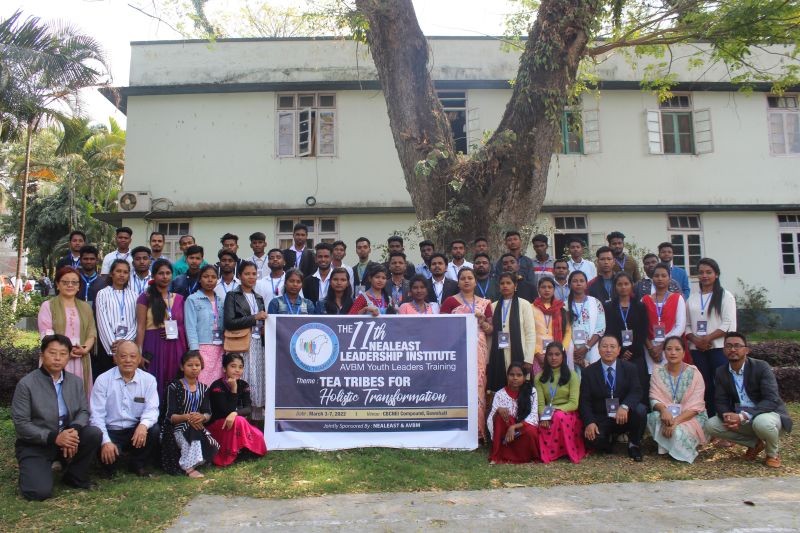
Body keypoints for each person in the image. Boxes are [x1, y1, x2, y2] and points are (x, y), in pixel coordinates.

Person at [12, 335, 103, 500]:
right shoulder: (27, 384)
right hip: (37, 443)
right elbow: (21, 424)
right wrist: (55, 438)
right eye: (52, 353)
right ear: (42, 354)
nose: (57, 358)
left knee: (93, 433)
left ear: (69, 356)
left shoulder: (75, 382)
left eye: (63, 353)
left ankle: (74, 476)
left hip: (67, 438)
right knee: (39, 492)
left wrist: (73, 430)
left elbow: (83, 411)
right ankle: (33, 470)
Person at [705, 332, 794, 468]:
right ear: (723, 350)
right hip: (742, 417)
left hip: (768, 414)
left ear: (746, 350)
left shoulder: (761, 367)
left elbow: (771, 399)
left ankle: (772, 454)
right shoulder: (721, 372)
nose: (733, 349)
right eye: (728, 346)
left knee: (762, 422)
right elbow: (720, 401)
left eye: (737, 346)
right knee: (711, 425)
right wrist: (727, 416)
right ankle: (755, 444)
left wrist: (742, 416)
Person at [90, 341, 160, 477]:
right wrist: (106, 441)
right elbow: (96, 415)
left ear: (139, 359)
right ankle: (109, 463)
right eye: (123, 356)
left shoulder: (149, 380)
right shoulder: (103, 380)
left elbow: (152, 409)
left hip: (134, 430)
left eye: (133, 356)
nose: (128, 360)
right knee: (109, 464)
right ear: (115, 359)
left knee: (153, 429)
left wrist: (143, 426)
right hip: (111, 431)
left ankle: (138, 464)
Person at [441, 267, 494, 440]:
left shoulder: (485, 303)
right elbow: (442, 327)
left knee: (478, 387)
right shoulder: (450, 302)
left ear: (475, 281)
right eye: (463, 278)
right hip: (457, 350)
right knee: (457, 387)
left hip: (478, 352)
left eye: (470, 278)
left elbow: (490, 329)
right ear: (458, 282)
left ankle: (478, 432)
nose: (466, 281)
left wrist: (482, 322)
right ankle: (456, 429)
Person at [579, 335, 646, 461]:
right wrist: (590, 422)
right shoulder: (589, 372)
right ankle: (608, 441)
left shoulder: (630, 368)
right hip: (602, 416)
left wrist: (625, 406)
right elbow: (584, 401)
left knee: (640, 410)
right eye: (604, 346)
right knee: (593, 440)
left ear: (619, 350)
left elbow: (636, 391)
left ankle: (634, 444)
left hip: (624, 415)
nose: (608, 350)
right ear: (598, 349)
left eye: (612, 347)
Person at [685, 258, 737, 417]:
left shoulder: (725, 296)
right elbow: (687, 325)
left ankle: (727, 417)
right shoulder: (692, 298)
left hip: (718, 348)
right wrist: (696, 340)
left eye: (708, 272)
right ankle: (710, 418)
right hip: (697, 350)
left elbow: (728, 323)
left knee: (722, 384)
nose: (704, 275)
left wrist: (707, 339)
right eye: (701, 272)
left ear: (716, 274)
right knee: (704, 385)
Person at [646, 336, 708, 463]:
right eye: (669, 349)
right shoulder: (658, 372)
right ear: (664, 352)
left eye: (677, 349)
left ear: (684, 352)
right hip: (666, 416)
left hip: (690, 417)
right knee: (652, 418)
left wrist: (675, 422)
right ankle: (669, 447)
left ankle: (678, 451)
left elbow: (696, 406)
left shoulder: (694, 373)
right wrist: (663, 410)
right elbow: (654, 397)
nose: (673, 353)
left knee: (677, 432)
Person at [38, 266, 97, 398]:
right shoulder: (48, 306)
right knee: (55, 397)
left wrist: (85, 349)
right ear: (58, 285)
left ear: (79, 287)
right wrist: (65, 352)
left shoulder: (86, 307)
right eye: (65, 282)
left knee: (79, 397)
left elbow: (91, 332)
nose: (70, 285)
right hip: (56, 358)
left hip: (80, 359)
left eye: (74, 282)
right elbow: (47, 334)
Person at [160, 351, 219, 477]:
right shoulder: (174, 387)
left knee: (213, 446)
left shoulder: (204, 388)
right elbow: (170, 416)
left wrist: (202, 417)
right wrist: (188, 417)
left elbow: (208, 413)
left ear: (201, 367)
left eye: (197, 365)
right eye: (190, 365)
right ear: (182, 367)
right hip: (176, 427)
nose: (194, 368)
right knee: (192, 430)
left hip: (197, 424)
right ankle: (188, 467)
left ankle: (195, 461)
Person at [136, 259, 188, 401]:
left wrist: (176, 329)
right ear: (153, 276)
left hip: (175, 345)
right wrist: (139, 353)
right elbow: (140, 326)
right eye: (161, 273)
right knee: (153, 381)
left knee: (173, 380)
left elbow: (184, 324)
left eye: (168, 273)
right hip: (153, 344)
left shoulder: (179, 299)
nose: (165, 277)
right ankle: (154, 418)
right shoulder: (145, 298)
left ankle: (171, 417)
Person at [206, 353, 268, 466]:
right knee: (239, 420)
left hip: (237, 424)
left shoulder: (244, 385)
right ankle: (237, 452)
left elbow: (248, 408)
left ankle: (243, 450)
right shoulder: (217, 386)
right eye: (233, 366)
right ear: (224, 368)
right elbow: (225, 411)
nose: (237, 370)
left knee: (258, 434)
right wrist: (234, 389)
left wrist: (235, 413)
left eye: (240, 367)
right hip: (218, 426)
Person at [225, 261, 268, 420]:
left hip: (258, 344)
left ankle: (256, 423)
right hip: (242, 343)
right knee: (243, 378)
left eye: (254, 274)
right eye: (247, 274)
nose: (251, 277)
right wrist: (254, 318)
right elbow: (229, 322)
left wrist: (264, 326)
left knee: (258, 382)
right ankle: (240, 418)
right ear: (239, 276)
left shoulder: (259, 297)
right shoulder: (232, 296)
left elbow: (262, 321)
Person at [534, 342, 586, 464]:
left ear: (563, 356)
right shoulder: (539, 377)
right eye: (550, 354)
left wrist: (553, 411)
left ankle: (561, 451)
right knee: (545, 421)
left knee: (558, 416)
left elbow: (574, 403)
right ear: (546, 357)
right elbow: (540, 404)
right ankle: (551, 451)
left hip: (568, 413)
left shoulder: (572, 375)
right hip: (547, 413)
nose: (554, 358)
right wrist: (545, 416)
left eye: (557, 354)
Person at [604, 272, 650, 403]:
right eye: (619, 284)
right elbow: (609, 330)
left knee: (639, 385)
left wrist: (631, 350)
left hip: (636, 353)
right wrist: (621, 351)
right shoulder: (608, 306)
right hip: (616, 354)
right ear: (615, 287)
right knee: (619, 385)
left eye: (626, 284)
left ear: (632, 285)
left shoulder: (640, 306)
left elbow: (643, 331)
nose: (623, 287)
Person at [487, 272, 536, 392]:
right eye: (502, 283)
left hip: (520, 354)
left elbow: (530, 333)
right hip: (498, 354)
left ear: (515, 286)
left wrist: (528, 359)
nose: (505, 286)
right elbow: (490, 336)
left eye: (508, 283)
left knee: (519, 386)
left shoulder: (524, 304)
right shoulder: (493, 306)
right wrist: (488, 359)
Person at [94, 259, 138, 379]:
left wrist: (125, 342)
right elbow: (102, 323)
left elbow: (136, 323)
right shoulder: (102, 294)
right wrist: (114, 349)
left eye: (125, 272)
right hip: (109, 349)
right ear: (111, 273)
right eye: (118, 271)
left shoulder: (134, 295)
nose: (122, 275)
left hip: (129, 347)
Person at [487, 362, 539, 464]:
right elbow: (490, 421)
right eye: (512, 375)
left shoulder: (531, 391)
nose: (515, 378)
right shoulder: (500, 394)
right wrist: (498, 411)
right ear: (507, 376)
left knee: (531, 431)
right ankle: (497, 455)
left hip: (522, 429)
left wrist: (514, 427)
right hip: (507, 435)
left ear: (524, 377)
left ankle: (525, 456)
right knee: (499, 417)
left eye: (519, 375)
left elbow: (533, 416)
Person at [642, 263, 686, 375]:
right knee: (653, 379)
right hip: (650, 348)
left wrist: (662, 346)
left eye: (663, 275)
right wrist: (651, 349)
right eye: (656, 276)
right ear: (652, 278)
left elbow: (680, 326)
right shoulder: (645, 300)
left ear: (669, 278)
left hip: (671, 347)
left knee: (671, 378)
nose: (660, 278)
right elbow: (641, 327)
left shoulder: (677, 298)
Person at [185, 265, 226, 385]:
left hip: (220, 347)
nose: (210, 280)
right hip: (202, 347)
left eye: (213, 277)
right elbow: (190, 326)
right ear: (199, 279)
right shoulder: (192, 299)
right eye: (206, 276)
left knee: (218, 383)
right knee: (202, 381)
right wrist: (194, 349)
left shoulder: (221, 300)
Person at [566, 270, 605, 370]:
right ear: (569, 284)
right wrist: (574, 350)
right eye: (575, 281)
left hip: (591, 349)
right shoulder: (564, 305)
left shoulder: (595, 303)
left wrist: (586, 347)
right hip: (571, 351)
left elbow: (600, 328)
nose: (578, 283)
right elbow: (563, 330)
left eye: (581, 281)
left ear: (586, 284)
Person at [532, 277, 571, 375]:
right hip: (537, 354)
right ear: (538, 289)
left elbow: (567, 331)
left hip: (556, 354)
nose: (546, 290)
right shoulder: (530, 308)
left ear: (554, 290)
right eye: (543, 287)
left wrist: (561, 350)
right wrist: (537, 353)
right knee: (539, 383)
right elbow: (528, 332)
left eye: (550, 287)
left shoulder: (561, 308)